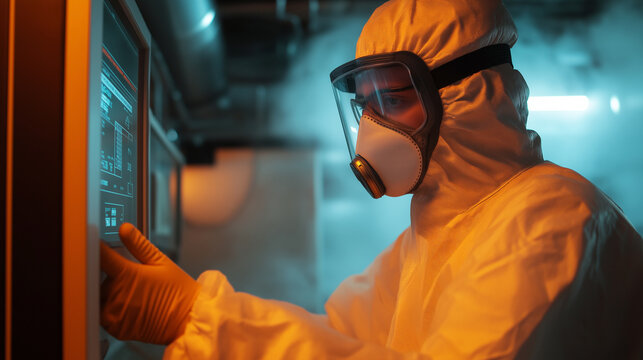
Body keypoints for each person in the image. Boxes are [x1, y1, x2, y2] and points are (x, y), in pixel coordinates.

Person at [100, 0, 643, 358]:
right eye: (365, 107)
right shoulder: (430, 238)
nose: (372, 129)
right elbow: (340, 331)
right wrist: (197, 312)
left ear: (468, 95)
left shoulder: (552, 218)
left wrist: (193, 317)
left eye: (393, 99)